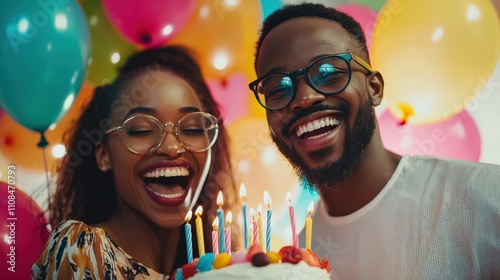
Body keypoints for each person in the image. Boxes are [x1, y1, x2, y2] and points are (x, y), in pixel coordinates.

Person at [249, 3, 500, 279]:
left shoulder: (485, 197)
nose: (304, 98)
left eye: (328, 73)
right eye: (278, 88)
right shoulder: (297, 260)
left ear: (374, 88)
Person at [32, 46, 239, 279]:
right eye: (141, 130)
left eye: (192, 128)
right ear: (103, 155)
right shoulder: (82, 250)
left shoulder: (219, 266)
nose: (172, 147)